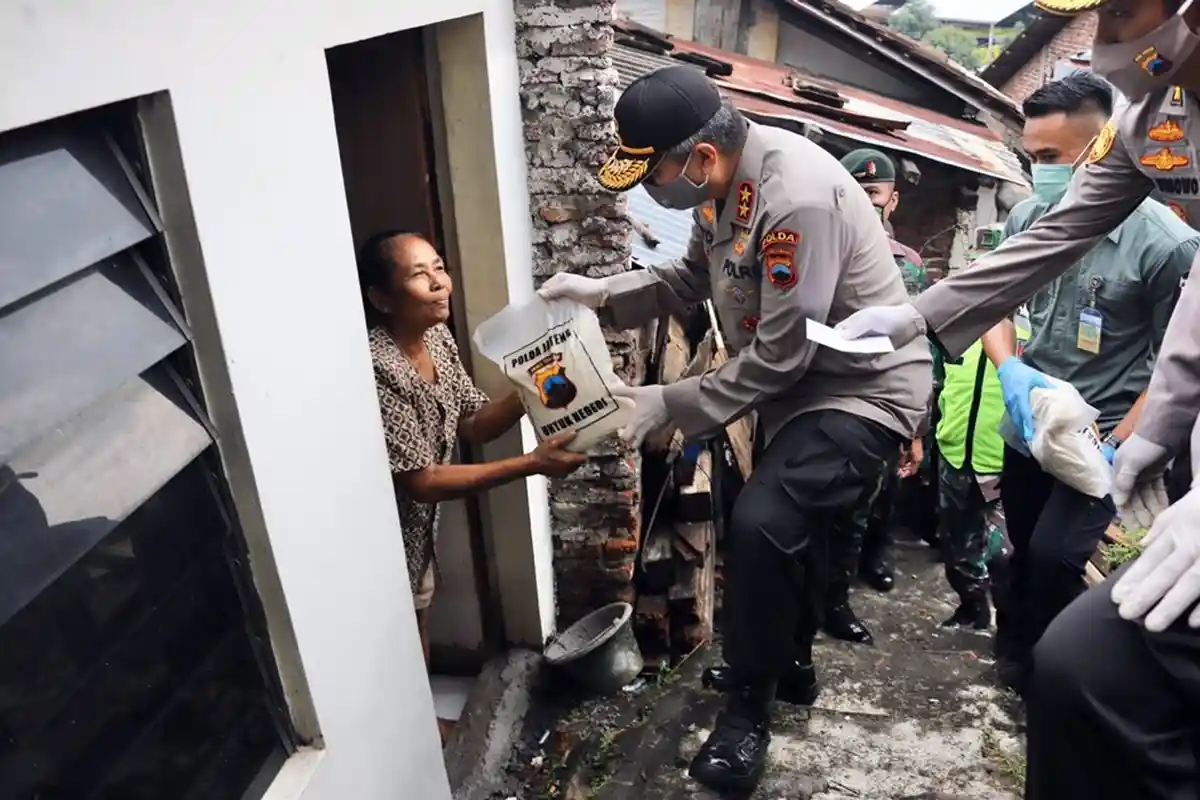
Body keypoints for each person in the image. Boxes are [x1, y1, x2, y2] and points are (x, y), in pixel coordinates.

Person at [537, 66, 931, 793]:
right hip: (798, 389)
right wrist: (601, 293)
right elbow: (690, 281)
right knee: (791, 526)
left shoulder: (793, 200)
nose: (650, 191)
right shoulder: (723, 187)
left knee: (764, 521)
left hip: (863, 388)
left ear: (701, 157)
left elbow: (782, 353)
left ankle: (747, 713)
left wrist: (664, 402)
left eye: (653, 175)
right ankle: (792, 664)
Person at [980, 73, 1198, 689]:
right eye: (1031, 156)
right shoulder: (1031, 217)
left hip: (1102, 437)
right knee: (1024, 544)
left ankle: (1054, 674)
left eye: (1051, 157)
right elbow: (993, 303)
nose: (1039, 172)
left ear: (1101, 147)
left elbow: (1178, 365)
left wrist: (1121, 442)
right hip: (1030, 426)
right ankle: (1015, 651)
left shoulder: (1168, 246)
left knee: (1057, 557)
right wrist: (1010, 368)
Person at [358, 230, 586, 673]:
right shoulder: (379, 367)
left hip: (417, 532)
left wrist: (532, 385)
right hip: (377, 535)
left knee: (417, 619)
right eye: (419, 275)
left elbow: (474, 422)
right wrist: (533, 463)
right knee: (391, 642)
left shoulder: (437, 339)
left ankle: (421, 709)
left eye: (439, 268)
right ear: (381, 299)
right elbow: (422, 481)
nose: (439, 282)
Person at [822, 148, 934, 647]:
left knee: (881, 493)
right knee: (835, 508)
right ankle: (830, 600)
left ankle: (872, 561)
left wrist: (917, 426)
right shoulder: (822, 251)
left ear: (892, 199)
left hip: (886, 402)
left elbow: (921, 348)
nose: (865, 200)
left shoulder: (908, 265)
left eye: (873, 191)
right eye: (855, 191)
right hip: (829, 397)